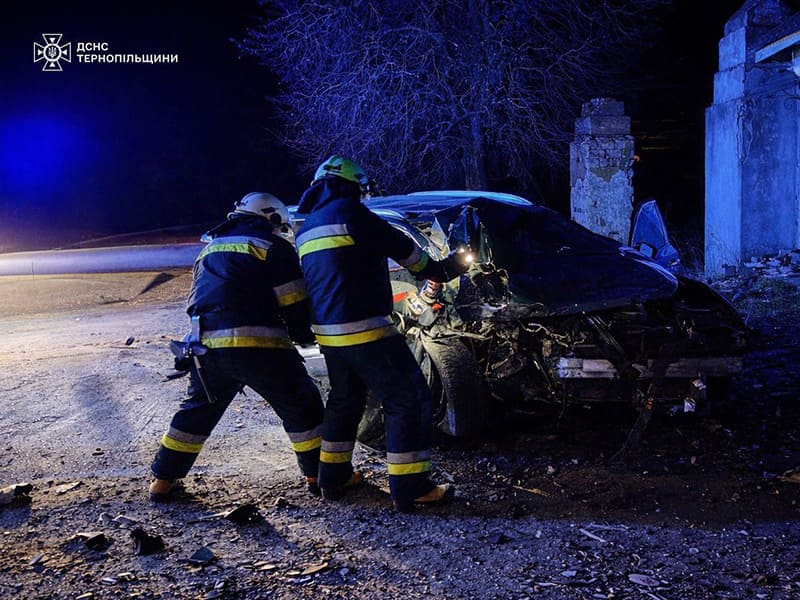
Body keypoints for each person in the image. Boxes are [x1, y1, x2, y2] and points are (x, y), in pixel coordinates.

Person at [295, 155, 469, 512]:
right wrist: (451, 266)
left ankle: (332, 477)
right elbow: (417, 262)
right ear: (353, 186)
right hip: (367, 330)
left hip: (330, 336)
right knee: (408, 398)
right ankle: (411, 487)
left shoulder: (308, 227)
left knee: (345, 401)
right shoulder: (357, 217)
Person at [149, 193, 324, 500]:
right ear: (270, 219)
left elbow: (198, 299)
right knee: (302, 404)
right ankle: (318, 476)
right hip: (259, 346)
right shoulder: (273, 247)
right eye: (279, 226)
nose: (279, 231)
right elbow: (293, 300)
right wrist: (304, 336)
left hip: (205, 348)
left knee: (197, 412)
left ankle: (163, 480)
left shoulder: (209, 250)